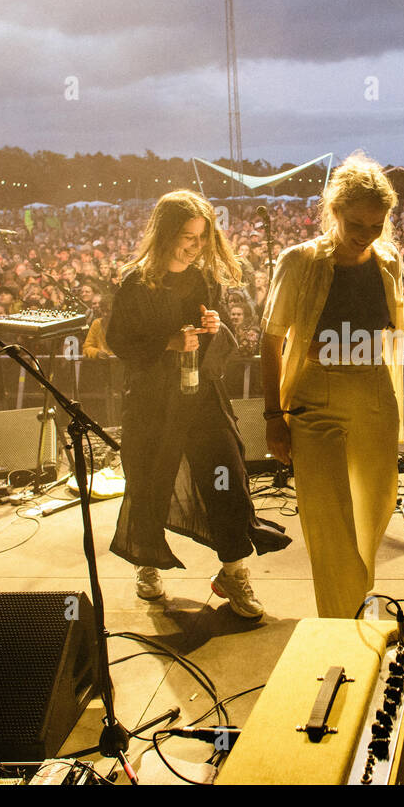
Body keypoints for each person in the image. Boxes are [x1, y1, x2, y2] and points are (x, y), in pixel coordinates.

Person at [107, 190, 290, 619]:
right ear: (166, 232)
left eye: (202, 237)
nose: (195, 245)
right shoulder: (136, 282)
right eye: (188, 236)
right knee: (149, 484)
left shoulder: (202, 279)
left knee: (227, 479)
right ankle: (147, 564)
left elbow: (216, 337)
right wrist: (167, 343)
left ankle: (234, 571)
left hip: (202, 398)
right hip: (153, 404)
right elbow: (119, 342)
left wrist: (214, 326)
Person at [260, 153, 404, 618]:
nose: (366, 234)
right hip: (315, 399)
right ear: (333, 212)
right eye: (356, 223)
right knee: (329, 524)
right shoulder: (298, 262)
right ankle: (343, 626)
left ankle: (357, 611)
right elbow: (271, 341)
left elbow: (389, 336)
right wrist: (272, 418)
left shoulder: (389, 261)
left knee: (372, 514)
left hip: (374, 393)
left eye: (376, 225)